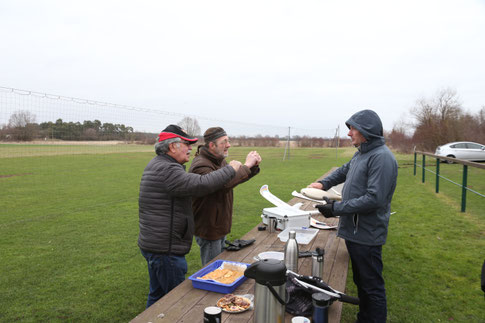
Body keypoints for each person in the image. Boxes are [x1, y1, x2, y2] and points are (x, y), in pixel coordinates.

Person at [138, 124, 243, 308]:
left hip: (157, 245)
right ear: (172, 147)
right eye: (186, 144)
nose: (190, 148)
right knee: (175, 302)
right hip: (166, 250)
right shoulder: (168, 169)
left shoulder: (161, 165)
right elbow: (202, 184)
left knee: (157, 296)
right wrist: (231, 169)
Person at [308, 109, 398, 323]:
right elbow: (344, 170)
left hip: (367, 234)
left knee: (372, 287)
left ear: (367, 131)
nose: (349, 133)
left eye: (353, 128)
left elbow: (374, 199)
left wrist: (336, 209)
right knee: (362, 282)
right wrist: (324, 183)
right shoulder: (363, 153)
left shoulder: (382, 158)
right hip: (356, 232)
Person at [189, 127, 261, 266]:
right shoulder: (201, 165)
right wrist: (247, 165)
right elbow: (224, 184)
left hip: (219, 224)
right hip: (209, 228)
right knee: (212, 269)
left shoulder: (219, 160)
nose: (228, 145)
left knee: (219, 266)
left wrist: (252, 168)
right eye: (224, 142)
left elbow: (232, 180)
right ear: (212, 145)